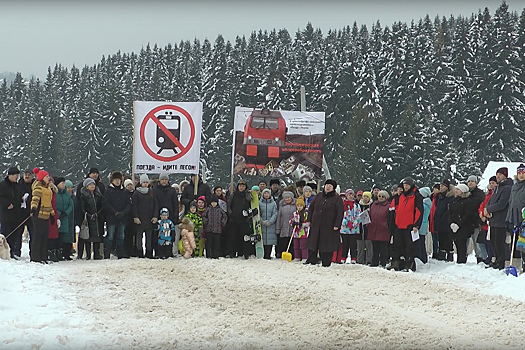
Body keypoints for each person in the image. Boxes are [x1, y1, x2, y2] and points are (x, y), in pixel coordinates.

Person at [304, 179, 344, 267]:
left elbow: (340, 213)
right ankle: (311, 259)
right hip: (316, 224)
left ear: (333, 188)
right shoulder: (318, 196)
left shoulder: (337, 199)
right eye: (327, 185)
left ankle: (326, 262)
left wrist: (337, 225)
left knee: (326, 245)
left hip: (329, 226)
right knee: (313, 242)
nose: (328, 187)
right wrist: (309, 220)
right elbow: (311, 209)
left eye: (330, 186)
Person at [389, 177, 423, 272]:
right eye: (404, 185)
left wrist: (416, 225)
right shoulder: (401, 196)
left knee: (410, 247)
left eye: (407, 184)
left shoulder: (416, 196)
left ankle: (409, 264)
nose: (406, 186)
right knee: (397, 245)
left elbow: (419, 211)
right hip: (399, 225)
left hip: (410, 225)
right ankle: (396, 262)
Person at [485, 167, 513, 270]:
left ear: (505, 175)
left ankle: (501, 261)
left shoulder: (507, 188)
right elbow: (491, 200)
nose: (498, 176)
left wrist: (489, 209)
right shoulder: (497, 187)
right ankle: (496, 259)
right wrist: (486, 209)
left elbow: (502, 204)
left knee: (500, 242)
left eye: (500, 174)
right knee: (493, 241)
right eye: (497, 174)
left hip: (501, 219)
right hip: (493, 219)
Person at [29, 168, 55, 263]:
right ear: (42, 178)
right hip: (39, 215)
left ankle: (43, 256)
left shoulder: (48, 188)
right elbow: (35, 199)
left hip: (46, 215)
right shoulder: (38, 187)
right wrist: (33, 208)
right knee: (38, 236)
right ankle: (35, 257)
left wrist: (52, 214)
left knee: (44, 237)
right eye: (47, 176)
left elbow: (49, 203)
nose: (48, 178)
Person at [103, 171, 131, 259]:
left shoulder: (124, 191)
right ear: (112, 180)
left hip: (122, 218)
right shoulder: (108, 191)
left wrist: (123, 213)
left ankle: (121, 253)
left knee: (121, 236)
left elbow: (128, 204)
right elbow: (106, 204)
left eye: (119, 179)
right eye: (115, 179)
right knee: (110, 236)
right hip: (112, 217)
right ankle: (107, 253)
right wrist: (115, 212)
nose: (117, 181)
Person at [152, 172, 179, 257]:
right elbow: (153, 203)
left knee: (169, 235)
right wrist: (155, 216)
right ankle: (158, 252)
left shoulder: (171, 190)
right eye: (162, 179)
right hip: (158, 216)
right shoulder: (155, 190)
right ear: (159, 180)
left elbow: (175, 204)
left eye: (166, 179)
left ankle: (168, 252)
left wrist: (175, 216)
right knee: (158, 235)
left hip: (169, 216)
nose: (164, 181)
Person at [132, 174, 159, 259]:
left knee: (149, 237)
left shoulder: (151, 192)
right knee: (139, 237)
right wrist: (135, 217)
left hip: (149, 218)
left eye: (146, 182)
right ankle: (139, 252)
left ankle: (149, 252)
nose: (145, 184)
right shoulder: (136, 193)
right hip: (140, 218)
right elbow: (134, 205)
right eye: (143, 182)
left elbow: (156, 205)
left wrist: (155, 216)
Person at [448, 184, 476, 264]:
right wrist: (451, 223)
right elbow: (449, 212)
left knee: (462, 244)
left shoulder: (467, 202)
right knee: (456, 243)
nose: (456, 191)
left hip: (463, 226)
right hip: (454, 224)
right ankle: (459, 260)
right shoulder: (453, 200)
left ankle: (462, 260)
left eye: (458, 189)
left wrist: (459, 224)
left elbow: (467, 215)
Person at [0, 167, 23, 259]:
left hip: (16, 213)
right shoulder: (3, 185)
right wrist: (6, 204)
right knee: (5, 232)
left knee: (14, 234)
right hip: (6, 213)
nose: (16, 177)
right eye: (14, 175)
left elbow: (18, 196)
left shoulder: (17, 185)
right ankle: (2, 251)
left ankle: (11, 251)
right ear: (9, 175)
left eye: (17, 175)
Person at [79, 177, 104, 260]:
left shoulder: (98, 195)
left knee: (97, 235)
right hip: (88, 218)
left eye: (93, 184)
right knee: (88, 236)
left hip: (98, 217)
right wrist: (88, 215)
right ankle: (88, 254)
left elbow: (102, 205)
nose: (92, 186)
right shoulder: (84, 196)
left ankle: (96, 253)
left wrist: (98, 213)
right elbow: (82, 207)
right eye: (90, 184)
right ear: (86, 186)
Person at [226, 180, 253, 258]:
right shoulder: (233, 195)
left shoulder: (247, 195)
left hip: (244, 220)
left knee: (245, 237)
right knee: (233, 237)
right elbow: (229, 205)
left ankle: (244, 253)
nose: (241, 187)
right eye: (240, 186)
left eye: (243, 186)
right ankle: (232, 252)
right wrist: (231, 214)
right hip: (234, 220)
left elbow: (251, 203)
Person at [506, 164, 525, 271]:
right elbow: (511, 203)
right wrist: (509, 218)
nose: (521, 175)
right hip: (514, 217)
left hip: (523, 218)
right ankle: (516, 265)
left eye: (523, 173)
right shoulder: (514, 186)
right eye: (519, 173)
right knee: (516, 243)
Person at [368, 190, 391, 267]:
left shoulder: (388, 206)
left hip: (383, 230)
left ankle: (383, 262)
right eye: (379, 196)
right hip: (373, 229)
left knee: (383, 248)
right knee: (375, 247)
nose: (381, 198)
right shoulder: (373, 205)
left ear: (386, 197)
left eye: (383, 196)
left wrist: (386, 226)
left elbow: (389, 218)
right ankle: (374, 262)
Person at [434, 179, 456, 261]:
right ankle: (442, 253)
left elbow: (450, 209)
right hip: (439, 219)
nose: (441, 187)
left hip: (447, 220)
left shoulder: (451, 197)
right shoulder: (439, 197)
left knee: (448, 239)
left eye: (443, 186)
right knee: (441, 238)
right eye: (440, 186)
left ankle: (450, 254)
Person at [466, 175, 486, 263]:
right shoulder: (466, 193)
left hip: (476, 221)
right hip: (467, 222)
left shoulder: (480, 194)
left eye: (472, 181)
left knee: (477, 242)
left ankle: (480, 258)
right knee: (465, 242)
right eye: (469, 181)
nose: (470, 183)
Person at [478, 176, 497, 265]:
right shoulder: (487, 195)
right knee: (485, 240)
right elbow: (482, 205)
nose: (491, 185)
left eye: (493, 183)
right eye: (490, 183)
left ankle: (492, 257)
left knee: (491, 241)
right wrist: (482, 213)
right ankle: (488, 256)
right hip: (485, 221)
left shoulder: (495, 194)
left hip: (492, 219)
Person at [202, 195, 228, 259]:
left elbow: (225, 216)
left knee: (217, 243)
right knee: (209, 243)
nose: (214, 204)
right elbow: (203, 216)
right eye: (212, 202)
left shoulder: (220, 210)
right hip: (209, 229)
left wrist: (222, 223)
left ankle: (216, 255)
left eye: (215, 202)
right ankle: (209, 255)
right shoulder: (208, 209)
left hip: (217, 229)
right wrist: (206, 222)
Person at [340, 189, 361, 264]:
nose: (351, 196)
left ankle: (353, 258)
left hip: (354, 229)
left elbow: (359, 215)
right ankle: (343, 257)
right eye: (349, 194)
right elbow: (340, 215)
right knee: (345, 244)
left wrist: (354, 223)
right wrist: (345, 222)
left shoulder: (356, 205)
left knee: (353, 244)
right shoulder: (342, 205)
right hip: (344, 228)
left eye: (352, 194)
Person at [55, 177, 74, 261]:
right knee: (58, 236)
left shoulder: (66, 194)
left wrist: (67, 212)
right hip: (58, 217)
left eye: (64, 183)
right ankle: (58, 253)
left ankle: (66, 253)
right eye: (61, 183)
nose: (63, 184)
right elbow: (53, 204)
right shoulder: (55, 193)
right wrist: (59, 213)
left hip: (66, 216)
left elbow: (70, 204)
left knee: (66, 236)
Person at [275, 191, 296, 259]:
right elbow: (279, 218)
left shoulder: (295, 206)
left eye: (289, 197)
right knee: (283, 242)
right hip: (283, 227)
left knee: (291, 241)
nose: (287, 199)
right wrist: (278, 228)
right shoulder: (281, 207)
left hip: (292, 227)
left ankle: (292, 254)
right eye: (286, 198)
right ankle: (282, 253)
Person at [18, 169, 34, 255]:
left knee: (33, 233)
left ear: (32, 176)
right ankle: (17, 251)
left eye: (29, 174)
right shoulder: (19, 185)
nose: (27, 176)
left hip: (31, 212)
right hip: (21, 212)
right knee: (18, 233)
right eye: (25, 174)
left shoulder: (34, 185)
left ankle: (33, 252)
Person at [259, 188, 278, 259]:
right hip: (262, 224)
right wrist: (262, 221)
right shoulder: (259, 203)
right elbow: (258, 213)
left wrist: (270, 221)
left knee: (270, 240)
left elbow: (275, 213)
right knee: (263, 240)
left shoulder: (273, 203)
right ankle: (262, 254)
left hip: (271, 225)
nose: (266, 195)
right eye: (265, 193)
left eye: (267, 193)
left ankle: (268, 254)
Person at [416, 187, 432, 264]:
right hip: (424, 224)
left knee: (419, 243)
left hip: (420, 225)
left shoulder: (423, 205)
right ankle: (423, 258)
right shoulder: (428, 204)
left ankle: (420, 257)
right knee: (422, 242)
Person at [290, 196, 309, 261]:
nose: (299, 207)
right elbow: (291, 221)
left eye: (301, 206)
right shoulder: (295, 213)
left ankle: (304, 257)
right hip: (295, 233)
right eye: (298, 206)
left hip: (303, 232)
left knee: (303, 246)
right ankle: (297, 256)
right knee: (296, 246)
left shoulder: (305, 213)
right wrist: (292, 223)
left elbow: (308, 223)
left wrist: (301, 224)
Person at [47, 177, 61, 262]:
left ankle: (53, 252)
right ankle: (48, 252)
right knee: (48, 235)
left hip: (54, 214)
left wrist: (57, 217)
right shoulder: (46, 192)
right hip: (47, 214)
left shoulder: (54, 192)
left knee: (54, 235)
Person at [357, 191, 373, 265]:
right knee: (360, 245)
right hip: (359, 227)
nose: (365, 198)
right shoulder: (358, 205)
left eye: (367, 197)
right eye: (364, 196)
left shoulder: (372, 206)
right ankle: (360, 259)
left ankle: (369, 260)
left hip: (369, 227)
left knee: (369, 245)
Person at [123, 178, 136, 257]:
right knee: (125, 235)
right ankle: (125, 251)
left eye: (131, 185)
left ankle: (132, 250)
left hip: (133, 217)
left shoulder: (135, 193)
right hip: (125, 217)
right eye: (128, 185)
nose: (130, 186)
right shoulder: (124, 193)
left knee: (132, 235)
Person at [428, 183, 440, 259]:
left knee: (438, 239)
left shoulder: (439, 198)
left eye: (436, 189)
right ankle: (435, 252)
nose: (434, 190)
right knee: (434, 239)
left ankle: (437, 253)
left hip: (437, 220)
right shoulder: (432, 198)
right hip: (432, 220)